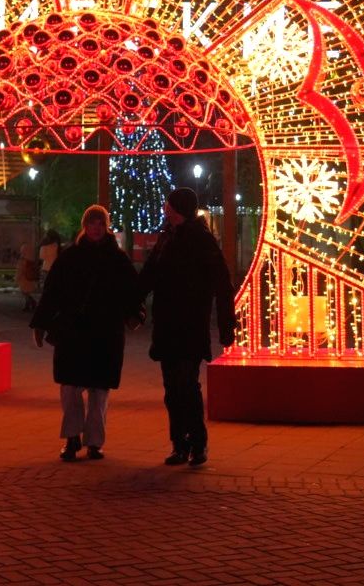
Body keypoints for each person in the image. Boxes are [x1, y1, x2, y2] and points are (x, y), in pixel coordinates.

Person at [30, 205, 142, 461]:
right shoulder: (70, 257)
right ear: (85, 225)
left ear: (106, 226)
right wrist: (40, 323)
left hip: (104, 332)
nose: (96, 228)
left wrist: (134, 314)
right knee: (70, 388)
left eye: (100, 224)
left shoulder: (116, 258)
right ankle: (72, 438)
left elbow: (130, 291)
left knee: (98, 391)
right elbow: (52, 293)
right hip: (74, 332)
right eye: (92, 223)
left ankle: (94, 441)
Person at [137, 187, 235, 467]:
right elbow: (149, 276)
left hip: (190, 324)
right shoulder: (166, 238)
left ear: (179, 207)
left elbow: (222, 284)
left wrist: (227, 324)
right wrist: (132, 303)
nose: (165, 209)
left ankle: (197, 443)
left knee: (186, 385)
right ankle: (179, 444)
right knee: (172, 388)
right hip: (168, 324)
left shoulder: (201, 240)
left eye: (169, 205)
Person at [15, 233, 43, 312]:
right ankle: (29, 304)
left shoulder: (22, 261)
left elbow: (20, 271)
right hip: (29, 277)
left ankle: (31, 303)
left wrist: (16, 278)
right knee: (26, 291)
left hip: (24, 278)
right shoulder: (31, 261)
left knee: (24, 291)